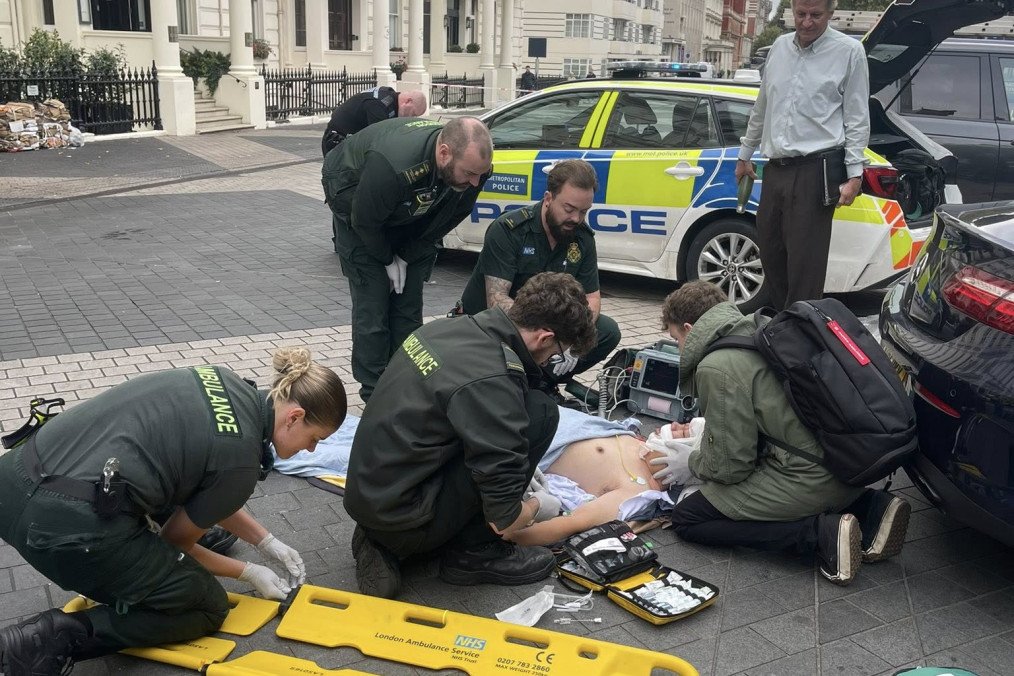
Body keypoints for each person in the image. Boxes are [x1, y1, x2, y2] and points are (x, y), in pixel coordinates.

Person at [0, 348, 347, 674]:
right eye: (314, 438)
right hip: (63, 531)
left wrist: (267, 541)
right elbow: (175, 543)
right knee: (205, 605)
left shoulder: (223, 380)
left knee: (197, 516)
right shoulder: (239, 464)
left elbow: (210, 480)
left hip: (16, 480)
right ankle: (52, 638)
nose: (311, 449)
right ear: (294, 417)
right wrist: (248, 571)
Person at [344, 273, 597, 599]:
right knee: (541, 412)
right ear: (544, 338)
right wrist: (536, 506)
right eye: (558, 353)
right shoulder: (494, 378)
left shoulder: (447, 329)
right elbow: (505, 521)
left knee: (511, 422)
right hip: (406, 518)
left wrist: (510, 458)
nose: (551, 361)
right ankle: (475, 554)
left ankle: (379, 539)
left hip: (369, 495)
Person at [657, 281, 911, 585]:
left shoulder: (716, 366)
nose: (678, 348)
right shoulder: (760, 325)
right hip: (849, 466)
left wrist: (693, 462)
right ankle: (871, 509)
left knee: (688, 518)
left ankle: (820, 535)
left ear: (688, 328)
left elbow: (731, 467)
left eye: (676, 339)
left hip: (809, 480)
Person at [322, 116, 493, 402]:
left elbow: (449, 217)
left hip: (408, 214)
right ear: (444, 153)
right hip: (357, 208)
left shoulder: (475, 167)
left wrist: (407, 255)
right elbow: (365, 221)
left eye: (480, 174)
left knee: (408, 306)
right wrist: (387, 259)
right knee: (374, 306)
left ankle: (407, 382)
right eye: (469, 173)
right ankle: (375, 393)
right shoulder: (394, 164)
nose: (476, 181)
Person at [734, 0, 870, 311]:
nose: (807, 22)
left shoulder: (849, 52)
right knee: (770, 253)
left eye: (816, 15)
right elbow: (762, 106)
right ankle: (785, 330)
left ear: (831, 14)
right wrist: (745, 155)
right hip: (775, 170)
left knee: (805, 267)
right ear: (791, 11)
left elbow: (857, 117)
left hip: (815, 171)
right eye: (800, 14)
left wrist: (855, 174)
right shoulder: (779, 48)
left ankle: (801, 338)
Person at [459, 159, 620, 399]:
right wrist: (548, 336)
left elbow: (591, 298)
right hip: (495, 326)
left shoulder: (582, 238)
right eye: (569, 209)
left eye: (584, 212)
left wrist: (571, 343)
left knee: (606, 330)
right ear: (548, 198)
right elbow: (496, 299)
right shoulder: (509, 230)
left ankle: (540, 384)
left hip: (545, 333)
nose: (576, 218)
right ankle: (515, 383)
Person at [321, 87, 428, 157]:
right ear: (408, 101)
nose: (412, 117)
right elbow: (380, 141)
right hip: (337, 142)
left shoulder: (390, 99)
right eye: (413, 114)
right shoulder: (379, 105)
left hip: (350, 142)